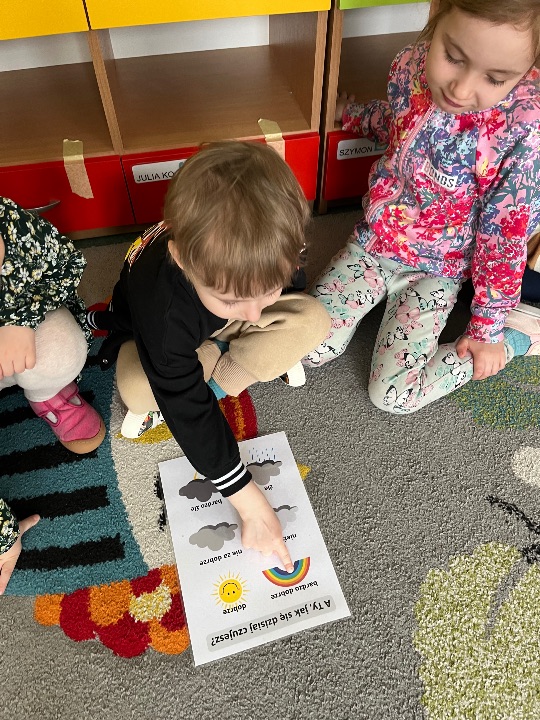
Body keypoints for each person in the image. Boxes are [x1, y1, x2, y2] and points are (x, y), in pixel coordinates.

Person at [88, 141, 331, 571]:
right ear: (182, 260)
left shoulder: (274, 249)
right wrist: (249, 502)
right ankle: (221, 363)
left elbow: (262, 302)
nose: (254, 313)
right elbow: (185, 405)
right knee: (141, 392)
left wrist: (256, 301)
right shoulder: (163, 304)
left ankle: (218, 373)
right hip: (163, 338)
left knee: (314, 319)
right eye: (232, 298)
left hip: (208, 333)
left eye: (268, 289)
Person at [304, 0, 540, 412]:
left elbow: (504, 236)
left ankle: (518, 337)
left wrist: (487, 329)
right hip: (375, 243)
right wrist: (355, 115)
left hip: (438, 269)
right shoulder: (410, 65)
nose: (460, 90)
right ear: (438, 17)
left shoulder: (522, 132)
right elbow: (402, 121)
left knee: (392, 396)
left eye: (494, 78)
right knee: (306, 347)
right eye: (453, 57)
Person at [0, 196, 106, 591]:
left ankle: (46, 390)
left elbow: (66, 262)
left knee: (61, 345)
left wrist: (17, 317)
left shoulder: (7, 222)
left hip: (17, 341)